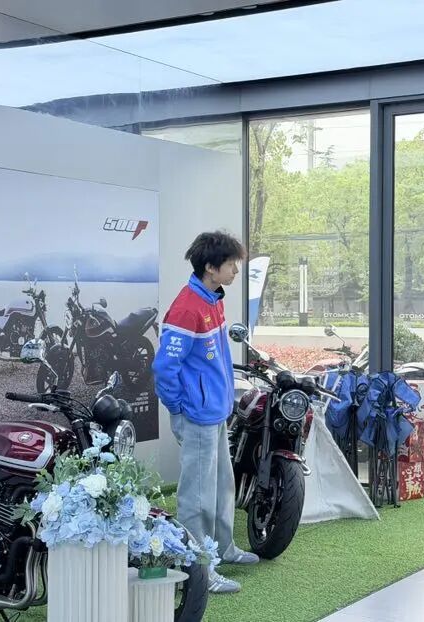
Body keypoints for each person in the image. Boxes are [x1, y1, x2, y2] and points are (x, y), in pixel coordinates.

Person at [152, 230, 258, 594]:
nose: (235, 271)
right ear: (210, 267)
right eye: (231, 264)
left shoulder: (213, 300)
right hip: (197, 415)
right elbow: (165, 368)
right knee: (196, 496)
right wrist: (180, 409)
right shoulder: (187, 308)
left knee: (222, 486)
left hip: (215, 411)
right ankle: (200, 570)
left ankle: (223, 548)